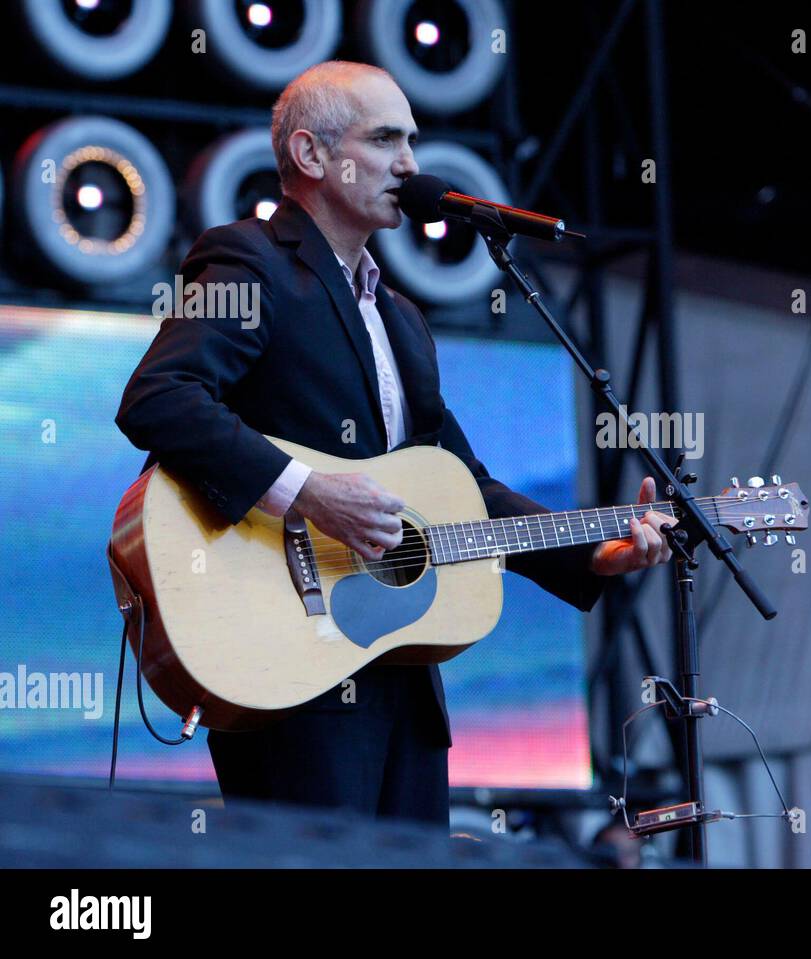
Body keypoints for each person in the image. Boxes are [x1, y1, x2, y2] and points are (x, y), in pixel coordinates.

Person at [115, 60, 675, 829]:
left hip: (399, 676)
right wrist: (310, 492)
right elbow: (160, 398)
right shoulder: (250, 259)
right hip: (290, 667)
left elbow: (462, 483)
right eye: (386, 140)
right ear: (312, 157)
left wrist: (595, 550)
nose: (411, 165)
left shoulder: (403, 318)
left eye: (413, 141)